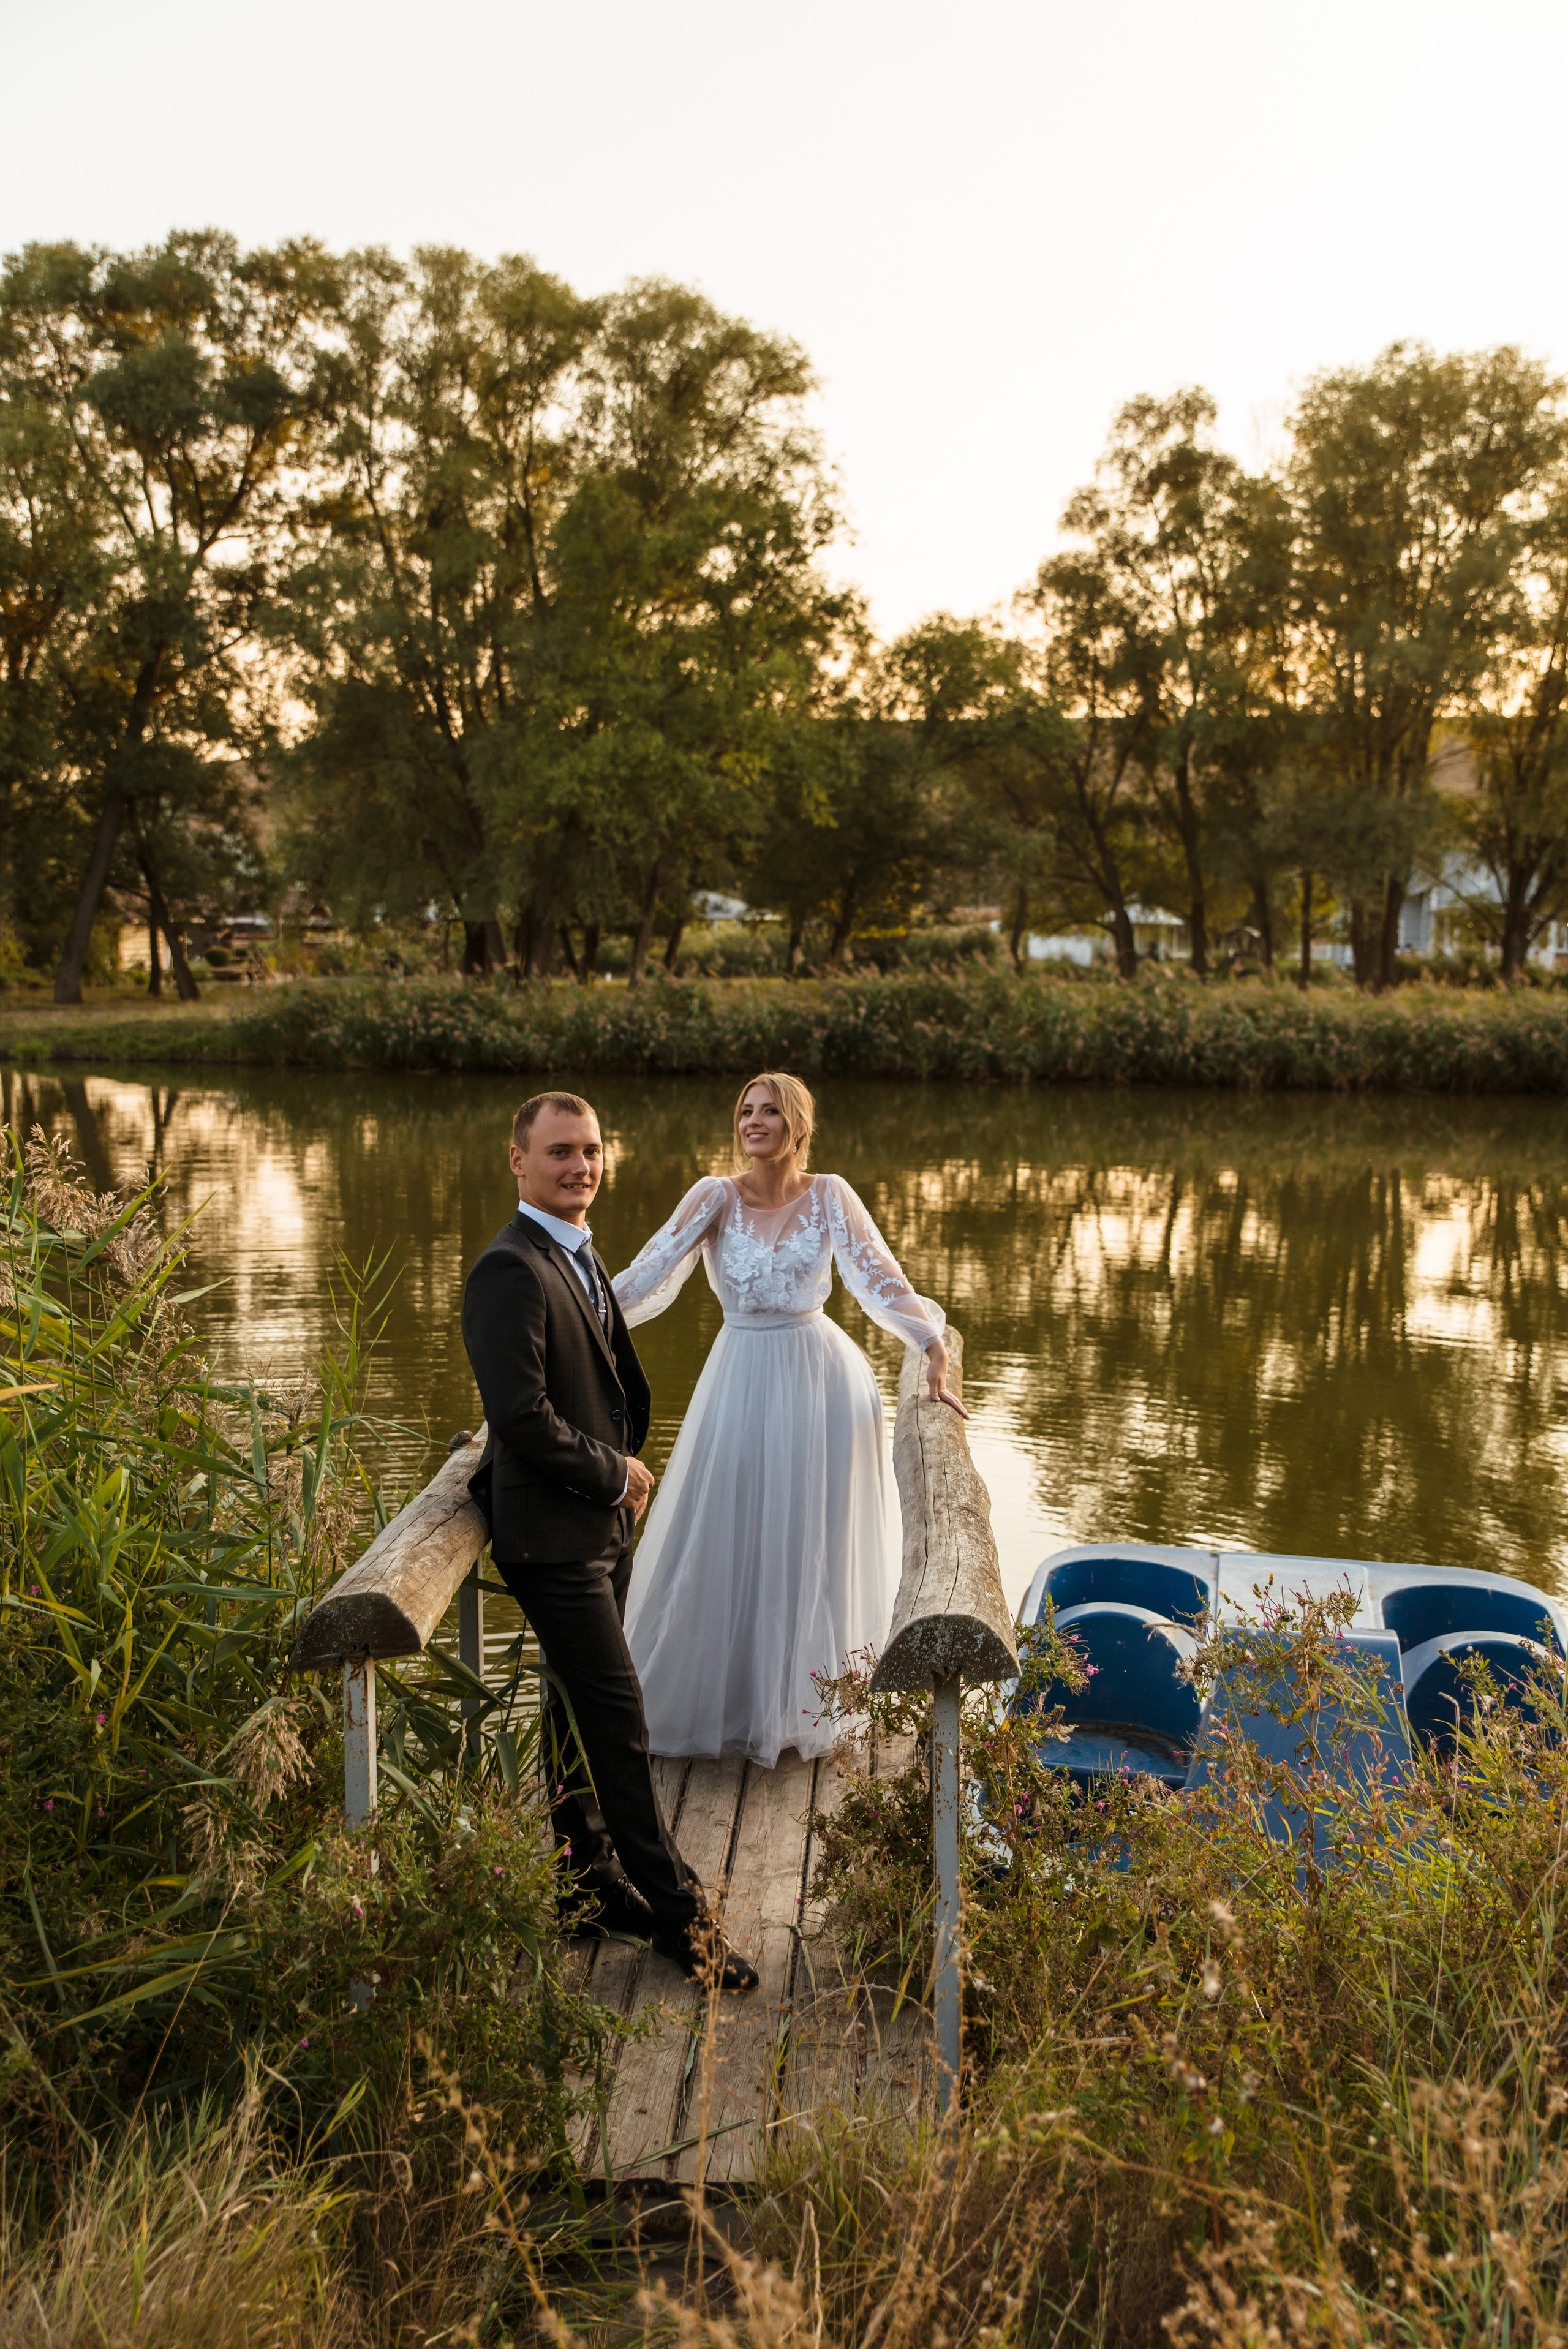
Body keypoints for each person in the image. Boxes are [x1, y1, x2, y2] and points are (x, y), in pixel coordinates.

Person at [461, 1089, 759, 1992]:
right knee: (621, 1721)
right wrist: (613, 1471)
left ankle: (586, 1884)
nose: (580, 1166)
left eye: (590, 1149)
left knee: (572, 1715)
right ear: (518, 1160)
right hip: (551, 1531)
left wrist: (619, 1474)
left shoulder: (578, 1253)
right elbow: (518, 1414)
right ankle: (686, 1921)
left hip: (597, 1521)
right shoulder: (509, 1268)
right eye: (559, 1152)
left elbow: (603, 1382)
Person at [612, 1071, 966, 1767]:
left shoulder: (830, 1193)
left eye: (769, 1110)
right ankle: (718, 1700)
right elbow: (642, 1276)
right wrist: (569, 1318)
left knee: (808, 1544)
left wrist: (929, 1344)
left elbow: (879, 1275)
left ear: (797, 1124)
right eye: (745, 1109)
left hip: (822, 1383)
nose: (753, 1121)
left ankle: (803, 1707)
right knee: (726, 1530)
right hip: (740, 1375)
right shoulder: (714, 1196)